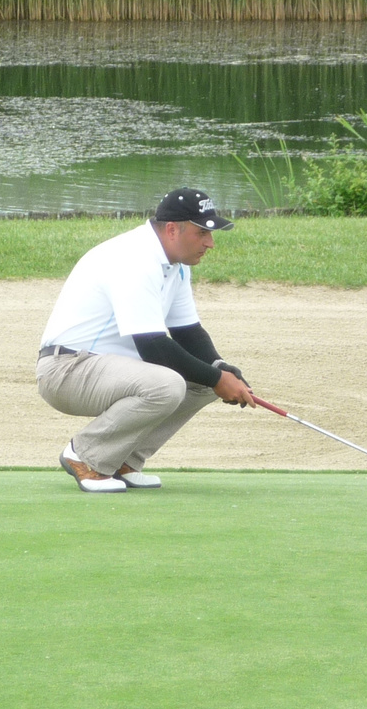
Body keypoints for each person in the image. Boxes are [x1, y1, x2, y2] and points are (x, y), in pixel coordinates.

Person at [36, 188, 255, 493]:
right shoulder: (134, 259)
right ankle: (86, 455)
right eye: (202, 232)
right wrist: (218, 378)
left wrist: (220, 368)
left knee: (203, 382)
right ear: (171, 229)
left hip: (106, 369)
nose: (210, 243)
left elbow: (187, 331)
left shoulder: (175, 264)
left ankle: (122, 460)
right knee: (168, 384)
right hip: (67, 369)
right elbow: (152, 345)